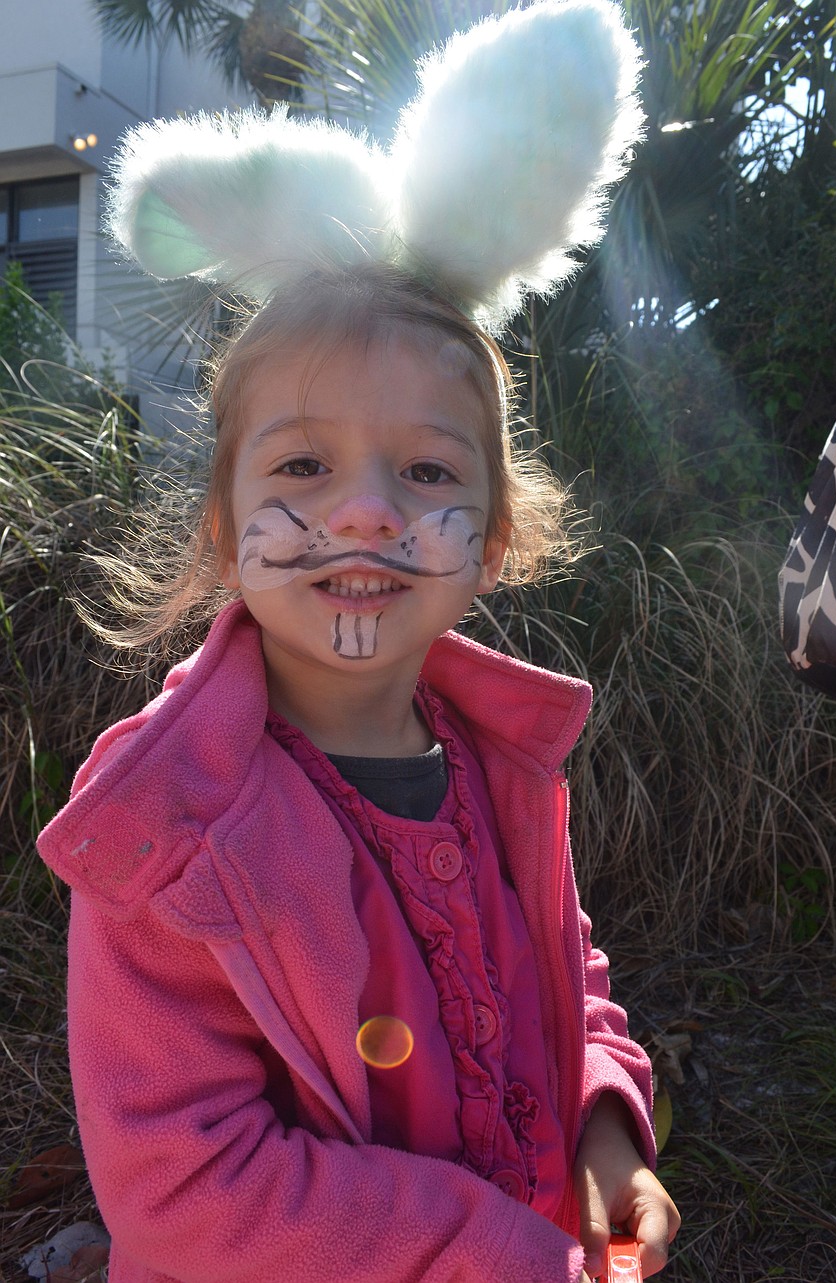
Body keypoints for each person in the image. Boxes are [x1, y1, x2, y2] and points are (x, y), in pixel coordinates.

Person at [38, 4, 680, 1281]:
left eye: (428, 467)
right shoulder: (173, 822)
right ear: (224, 526)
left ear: (494, 536)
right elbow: (184, 1181)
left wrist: (611, 1131)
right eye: (305, 463)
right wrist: (492, 1246)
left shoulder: (493, 755)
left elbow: (564, 962)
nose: (367, 509)